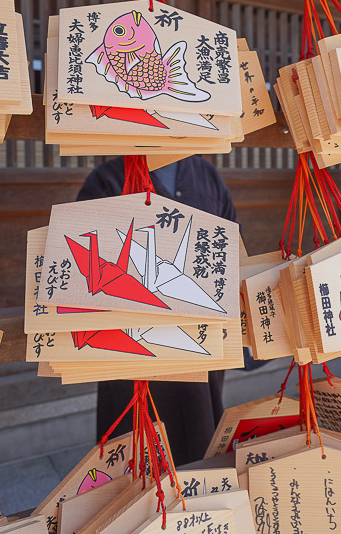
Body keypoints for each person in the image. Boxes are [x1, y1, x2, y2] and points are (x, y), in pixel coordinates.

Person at [76, 156, 237, 466]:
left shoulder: (205, 174)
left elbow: (231, 249)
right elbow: (84, 265)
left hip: (200, 345)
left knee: (200, 440)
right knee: (136, 460)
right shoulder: (108, 178)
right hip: (134, 353)